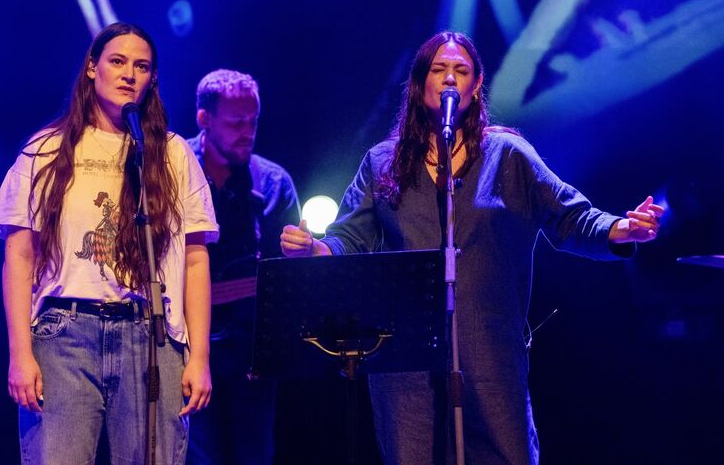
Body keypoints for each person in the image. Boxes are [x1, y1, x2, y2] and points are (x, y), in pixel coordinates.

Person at [280, 31, 663, 464]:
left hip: (490, 348)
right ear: (420, 82)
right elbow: (352, 236)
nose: (448, 79)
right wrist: (314, 252)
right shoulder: (382, 162)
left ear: (476, 86)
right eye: (438, 70)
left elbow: (570, 217)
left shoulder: (509, 155)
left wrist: (620, 229)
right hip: (405, 353)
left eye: (460, 71)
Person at [0, 22, 219, 464]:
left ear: (152, 79)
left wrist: (199, 357)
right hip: (63, 336)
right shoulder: (47, 148)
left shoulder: (172, 154)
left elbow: (195, 258)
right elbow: (18, 254)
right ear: (92, 68)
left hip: (151, 336)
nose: (130, 73)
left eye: (142, 66)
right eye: (118, 61)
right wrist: (20, 353)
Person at [186, 69, 301, 464]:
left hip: (251, 350)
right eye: (236, 122)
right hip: (185, 348)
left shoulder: (274, 182)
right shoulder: (173, 168)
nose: (247, 132)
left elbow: (285, 280)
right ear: (204, 119)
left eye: (253, 121)